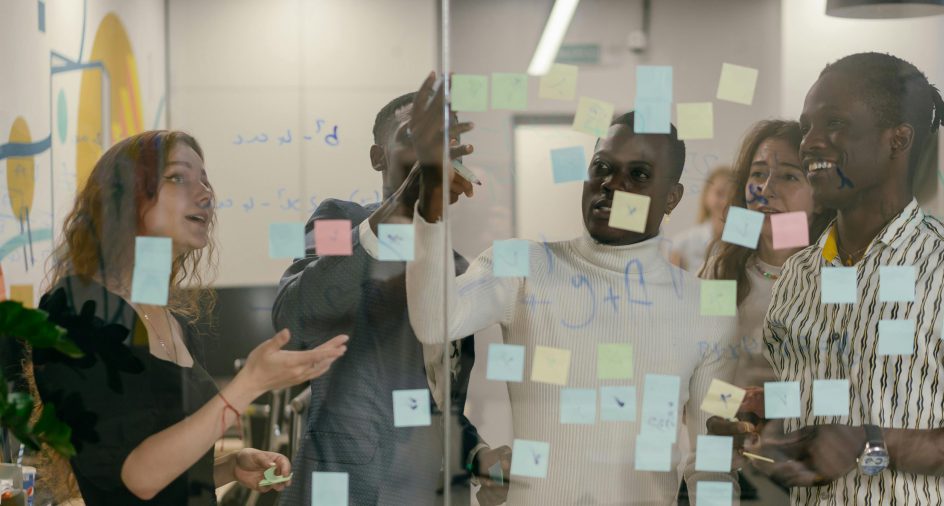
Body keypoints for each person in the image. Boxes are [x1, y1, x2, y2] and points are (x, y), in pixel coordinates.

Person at [405, 73, 737, 504]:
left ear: (671, 198)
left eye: (638, 175)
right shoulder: (522, 265)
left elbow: (711, 454)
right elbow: (434, 321)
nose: (612, 185)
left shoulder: (706, 308)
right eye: (601, 167)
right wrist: (430, 199)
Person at [717, 52, 944, 505]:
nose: (810, 143)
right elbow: (810, 413)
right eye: (807, 127)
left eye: (834, 124)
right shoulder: (800, 276)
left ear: (897, 140)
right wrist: (757, 422)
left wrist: (873, 443)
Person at [27, 130, 348, 505]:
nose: (205, 194)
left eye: (205, 181)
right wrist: (250, 383)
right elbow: (138, 479)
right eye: (178, 177)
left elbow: (168, 477)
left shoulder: (173, 322)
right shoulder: (74, 310)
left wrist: (230, 466)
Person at [272, 88, 510, 506]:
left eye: (444, 142)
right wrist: (403, 208)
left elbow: (435, 399)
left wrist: (477, 455)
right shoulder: (338, 220)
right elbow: (293, 319)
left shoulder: (454, 268)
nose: (431, 153)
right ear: (377, 157)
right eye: (412, 137)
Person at [696, 120, 834, 505]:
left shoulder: (838, 277)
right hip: (729, 471)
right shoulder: (722, 269)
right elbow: (700, 375)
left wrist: (775, 400)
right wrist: (733, 413)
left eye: (789, 176)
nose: (766, 188)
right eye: (758, 174)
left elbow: (859, 387)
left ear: (819, 196)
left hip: (810, 474)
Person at [669, 165, 731, 271]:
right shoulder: (682, 245)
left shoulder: (746, 248)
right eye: (719, 193)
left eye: (732, 195)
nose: (726, 201)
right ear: (706, 195)